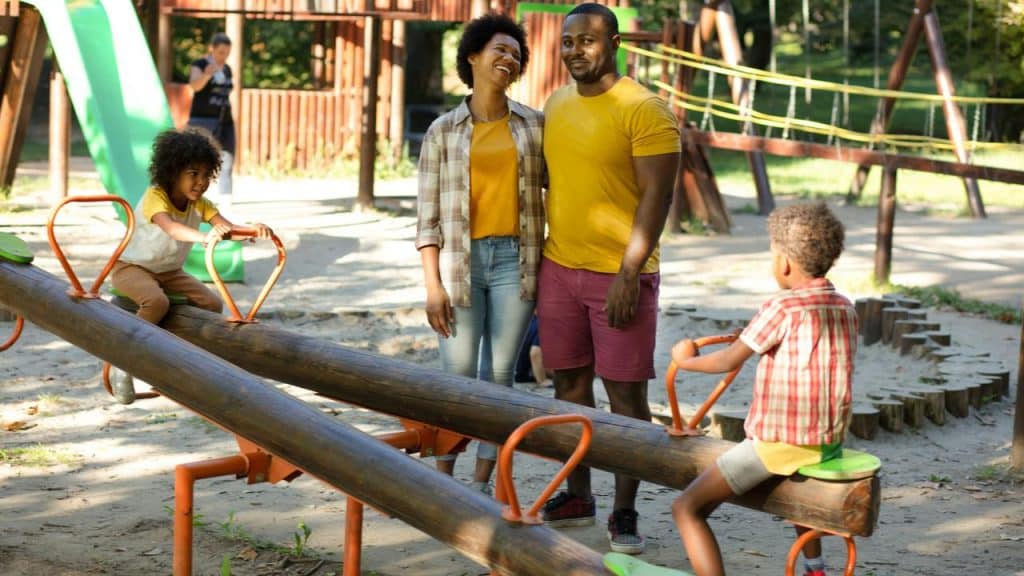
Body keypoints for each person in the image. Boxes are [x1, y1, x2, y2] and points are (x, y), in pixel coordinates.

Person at [536, 3, 680, 555]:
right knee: (568, 388)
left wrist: (628, 273)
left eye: (587, 41)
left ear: (614, 43)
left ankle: (623, 512)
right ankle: (578, 495)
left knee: (625, 400)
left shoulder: (645, 109)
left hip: (621, 277)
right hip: (559, 268)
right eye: (568, 41)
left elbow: (657, 197)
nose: (575, 50)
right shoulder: (557, 103)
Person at [669, 203, 857, 576]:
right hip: (827, 442)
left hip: (777, 446)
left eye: (773, 255)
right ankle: (815, 568)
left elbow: (726, 360)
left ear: (785, 263)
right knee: (798, 500)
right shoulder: (845, 307)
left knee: (686, 509)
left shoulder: (781, 307)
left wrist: (686, 360)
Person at [415, 14, 545, 494]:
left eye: (516, 53)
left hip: (517, 261)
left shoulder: (534, 126)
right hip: (458, 264)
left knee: (499, 381)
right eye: (500, 50)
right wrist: (433, 285)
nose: (508, 59)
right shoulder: (443, 131)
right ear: (472, 56)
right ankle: (443, 481)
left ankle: (481, 485)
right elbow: (426, 218)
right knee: (456, 378)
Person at [108, 127, 272, 405]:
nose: (201, 182)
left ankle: (187, 362)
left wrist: (252, 230)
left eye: (207, 175)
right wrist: (204, 238)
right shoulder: (156, 196)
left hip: (169, 272)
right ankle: (122, 362)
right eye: (193, 174)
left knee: (211, 304)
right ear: (173, 171)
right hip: (131, 267)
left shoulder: (201, 204)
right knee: (156, 302)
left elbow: (225, 227)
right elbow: (170, 228)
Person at [188, 33, 235, 208]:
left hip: (224, 120)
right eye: (221, 52)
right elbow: (194, 85)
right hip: (203, 120)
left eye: (227, 53)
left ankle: (225, 203)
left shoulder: (227, 69)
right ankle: (191, 199)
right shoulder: (200, 65)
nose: (224, 56)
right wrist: (207, 75)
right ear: (212, 49)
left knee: (227, 159)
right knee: (197, 161)